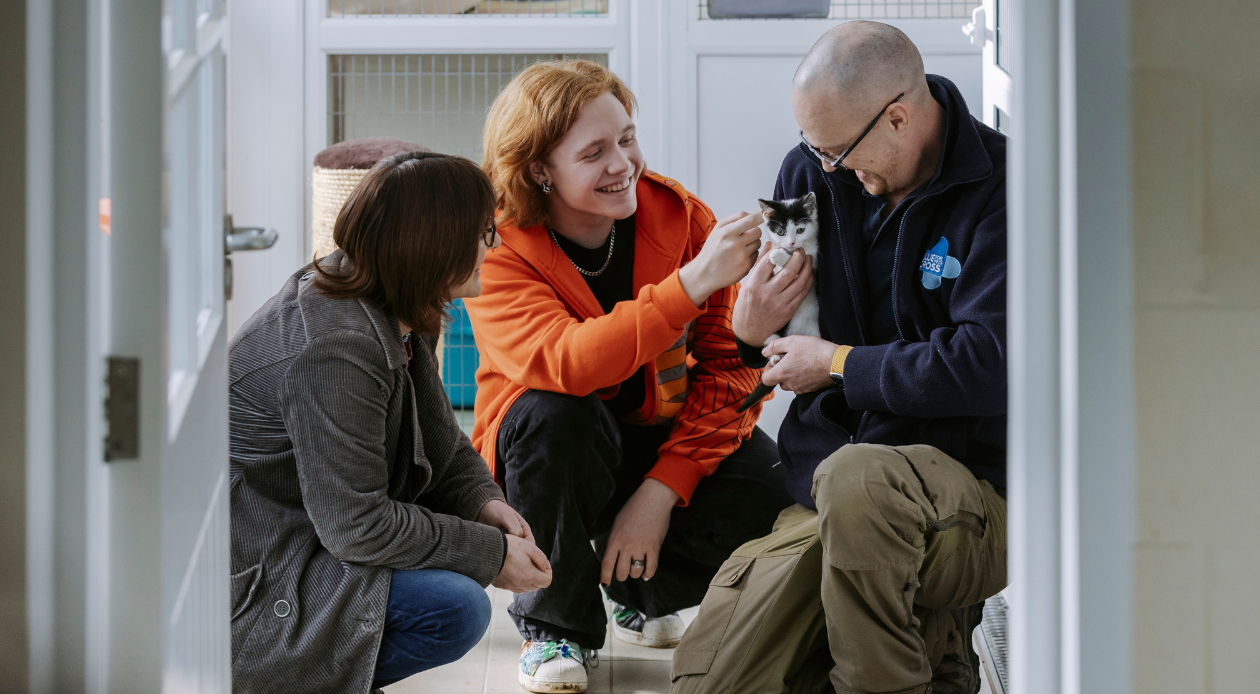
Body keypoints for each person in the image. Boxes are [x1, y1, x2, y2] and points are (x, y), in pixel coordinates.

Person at [671, 22, 1008, 694]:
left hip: (967, 500)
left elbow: (988, 363)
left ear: (899, 116)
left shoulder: (1008, 189)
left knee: (860, 477)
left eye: (837, 152)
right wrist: (746, 326)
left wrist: (838, 363)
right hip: (821, 493)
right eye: (813, 148)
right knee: (716, 681)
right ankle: (929, 651)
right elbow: (774, 342)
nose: (824, 169)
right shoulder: (809, 172)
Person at [464, 60, 794, 693]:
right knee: (554, 412)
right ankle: (555, 626)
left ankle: (639, 592)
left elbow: (729, 373)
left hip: (652, 433)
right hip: (545, 446)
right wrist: (692, 282)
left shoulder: (683, 219)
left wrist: (661, 491)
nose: (623, 163)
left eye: (626, 137)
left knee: (776, 497)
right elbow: (566, 363)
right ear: (539, 170)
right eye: (593, 153)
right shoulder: (499, 246)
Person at [228, 152, 553, 694]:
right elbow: (357, 525)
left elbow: (442, 443)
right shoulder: (336, 349)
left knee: (453, 592)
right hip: (264, 571)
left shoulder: (400, 302)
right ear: (432, 247)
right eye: (481, 234)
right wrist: (490, 554)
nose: (491, 247)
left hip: (308, 533)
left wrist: (483, 501)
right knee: (456, 608)